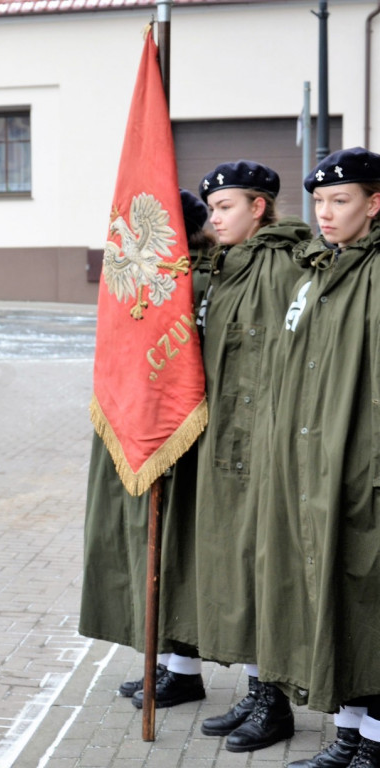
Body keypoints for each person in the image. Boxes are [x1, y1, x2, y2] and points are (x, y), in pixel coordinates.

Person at [256, 147, 380, 768]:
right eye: (320, 203)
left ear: (374, 203)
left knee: (367, 598)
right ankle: (353, 736)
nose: (326, 214)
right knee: (339, 600)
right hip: (317, 463)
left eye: (342, 200)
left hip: (363, 465)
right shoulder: (320, 271)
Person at [79, 189, 214, 709]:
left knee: (177, 550)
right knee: (148, 549)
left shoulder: (195, 280)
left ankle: (183, 669)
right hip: (138, 424)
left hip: (179, 431)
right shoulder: (140, 280)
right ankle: (170, 665)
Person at [194, 161, 311, 752]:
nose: (214, 217)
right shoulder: (231, 264)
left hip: (265, 442)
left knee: (268, 569)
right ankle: (259, 687)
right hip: (232, 442)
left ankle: (278, 702)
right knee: (241, 569)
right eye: (211, 208)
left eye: (225, 207)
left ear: (259, 207)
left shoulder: (285, 265)